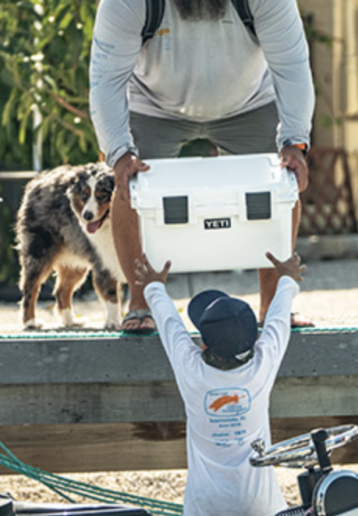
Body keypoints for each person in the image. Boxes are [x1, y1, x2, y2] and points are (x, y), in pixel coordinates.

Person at [90, 0, 315, 333]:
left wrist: (295, 143)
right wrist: (121, 153)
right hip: (153, 105)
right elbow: (106, 80)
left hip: (250, 102)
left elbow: (292, 66)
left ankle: (274, 305)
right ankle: (141, 305)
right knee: (130, 185)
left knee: (280, 181)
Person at [136, 248, 305, 516]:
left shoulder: (192, 372)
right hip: (260, 513)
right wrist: (288, 277)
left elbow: (169, 327)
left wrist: (154, 288)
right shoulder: (262, 367)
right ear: (253, 340)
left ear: (205, 347)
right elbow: (279, 321)